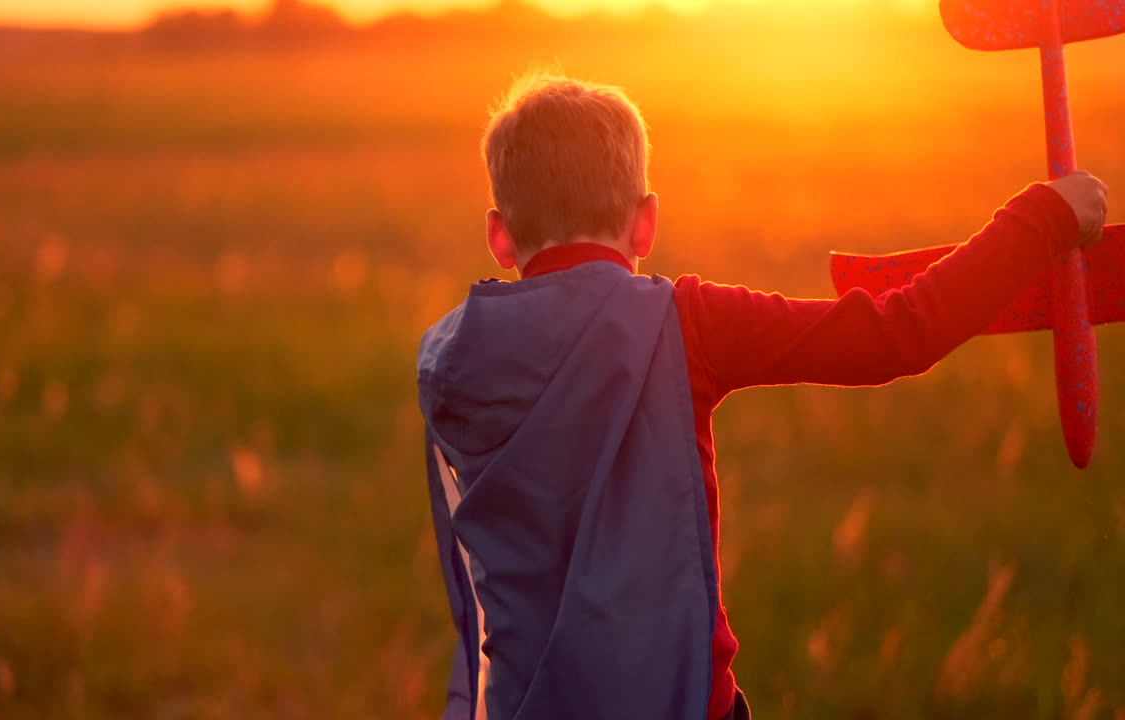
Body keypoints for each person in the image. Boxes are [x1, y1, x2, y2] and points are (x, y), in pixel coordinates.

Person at [415, 70, 1108, 720]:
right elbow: (896, 334)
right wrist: (1043, 216)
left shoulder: (449, 360)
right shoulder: (684, 324)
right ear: (645, 222)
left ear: (499, 236)